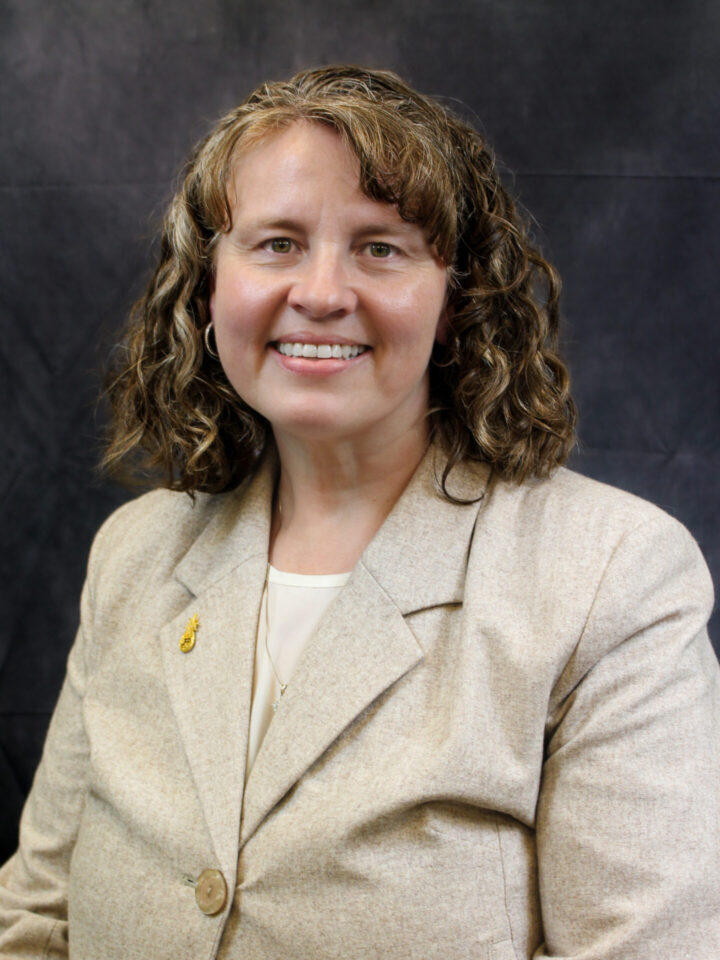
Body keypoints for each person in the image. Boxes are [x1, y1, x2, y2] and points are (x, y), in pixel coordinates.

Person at [0, 65, 718, 960]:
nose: (322, 292)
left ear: (456, 299)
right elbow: (32, 919)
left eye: (381, 247)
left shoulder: (612, 574)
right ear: (207, 288)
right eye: (276, 244)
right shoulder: (135, 555)